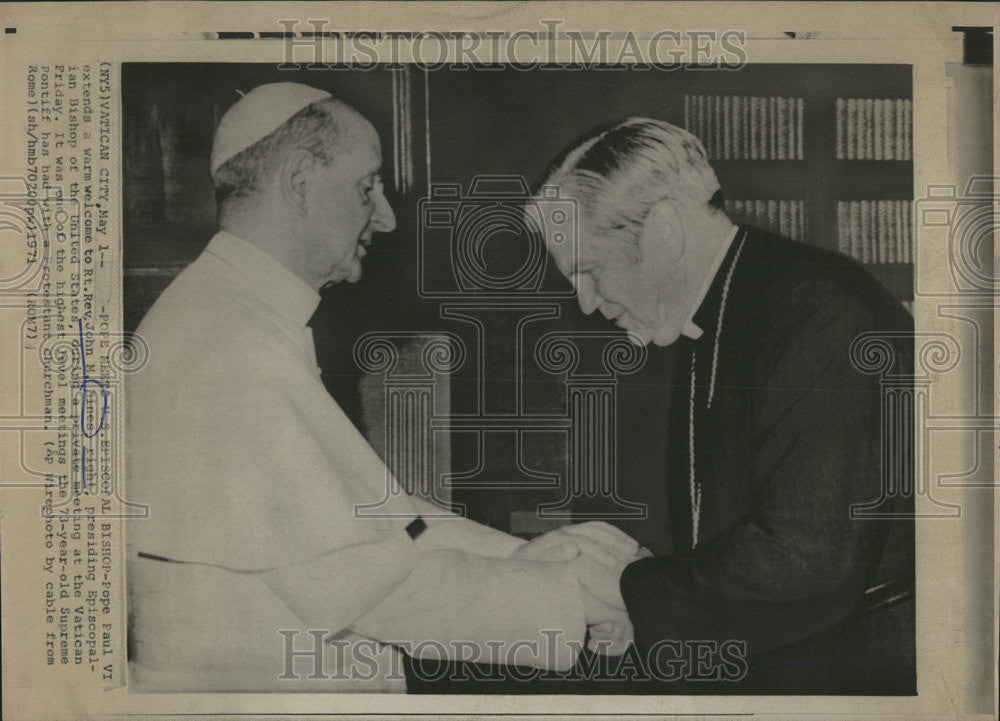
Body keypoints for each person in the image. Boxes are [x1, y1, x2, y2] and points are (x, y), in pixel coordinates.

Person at [125, 83, 638, 693]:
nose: (387, 216)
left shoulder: (235, 316)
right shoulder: (227, 347)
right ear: (298, 182)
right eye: (367, 187)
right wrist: (583, 595)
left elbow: (382, 525)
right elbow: (373, 592)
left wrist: (542, 556)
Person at [529, 118, 915, 693]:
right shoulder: (724, 305)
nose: (586, 302)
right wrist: (645, 608)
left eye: (590, 270)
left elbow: (803, 561)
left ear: (661, 231)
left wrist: (630, 588)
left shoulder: (818, 310)